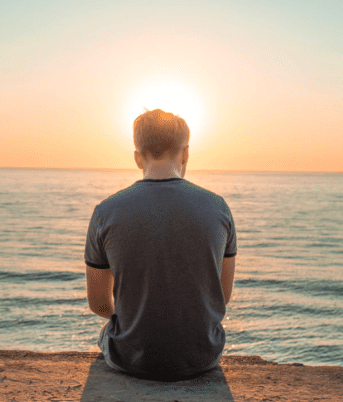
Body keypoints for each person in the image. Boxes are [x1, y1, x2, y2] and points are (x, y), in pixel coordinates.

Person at [84, 108, 237, 380]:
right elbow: (221, 298)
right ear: (185, 153)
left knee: (107, 333)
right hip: (202, 357)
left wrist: (136, 317)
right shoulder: (218, 208)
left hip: (131, 358)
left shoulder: (106, 212)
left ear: (137, 157)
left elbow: (99, 304)